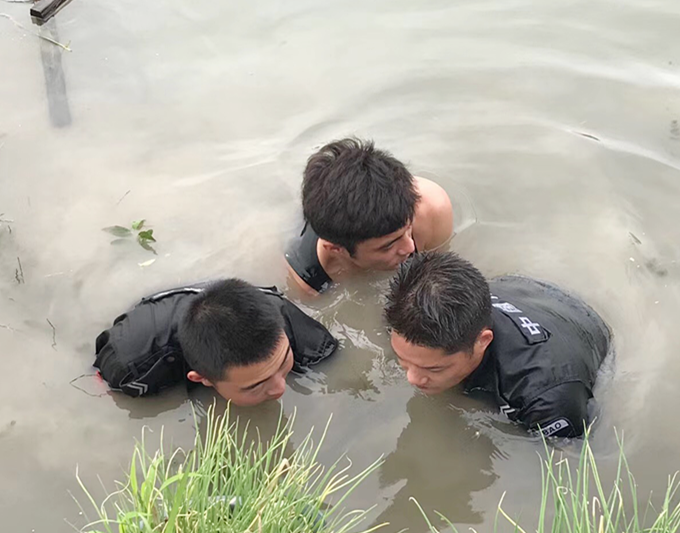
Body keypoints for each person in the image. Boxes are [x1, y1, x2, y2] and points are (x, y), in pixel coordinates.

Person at [383, 252, 611, 438]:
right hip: (515, 286)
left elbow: (564, 460)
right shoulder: (409, 317)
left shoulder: (547, 398)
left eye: (434, 369)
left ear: (482, 342)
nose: (413, 379)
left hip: (582, 325)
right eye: (403, 360)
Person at [93, 278, 338, 406]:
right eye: (256, 385)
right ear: (202, 379)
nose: (280, 389)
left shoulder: (281, 315)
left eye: (283, 362)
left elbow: (337, 370)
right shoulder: (130, 365)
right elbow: (103, 391)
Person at [286, 138, 454, 295]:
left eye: (408, 228)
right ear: (337, 250)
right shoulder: (309, 281)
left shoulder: (431, 208)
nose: (409, 248)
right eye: (388, 246)